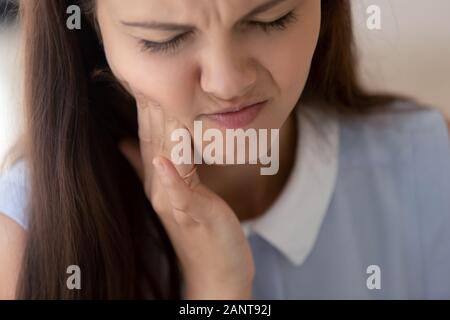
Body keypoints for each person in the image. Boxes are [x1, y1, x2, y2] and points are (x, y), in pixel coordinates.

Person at [0, 0, 449, 299]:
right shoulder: (24, 239)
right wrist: (217, 289)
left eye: (270, 19)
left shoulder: (428, 164)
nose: (227, 83)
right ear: (90, 32)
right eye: (164, 39)